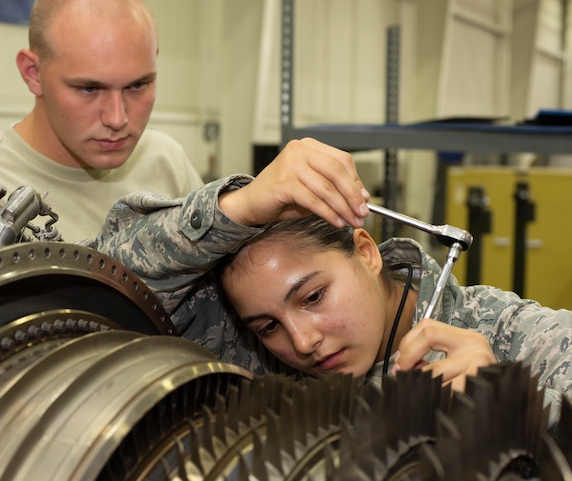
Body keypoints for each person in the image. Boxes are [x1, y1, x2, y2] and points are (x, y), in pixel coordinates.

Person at [94, 137, 571, 417]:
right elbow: (97, 284)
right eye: (268, 326)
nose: (301, 343)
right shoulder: (250, 355)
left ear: (366, 253)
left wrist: (518, 405)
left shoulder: (510, 336)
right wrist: (235, 207)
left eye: (314, 296)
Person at [0, 0, 203, 243]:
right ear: (33, 74)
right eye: (88, 89)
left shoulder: (168, 162)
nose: (117, 119)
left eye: (137, 85)